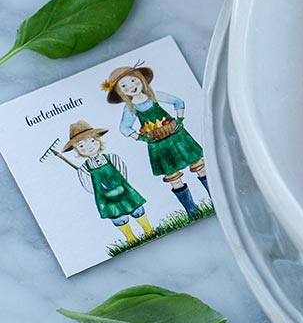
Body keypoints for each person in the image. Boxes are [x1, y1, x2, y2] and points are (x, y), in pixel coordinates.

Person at [104, 63, 209, 220]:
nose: (131, 86)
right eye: (124, 85)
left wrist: (179, 120)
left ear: (140, 79)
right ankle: (191, 210)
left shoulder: (156, 96)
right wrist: (141, 137)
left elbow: (178, 102)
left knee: (199, 165)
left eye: (133, 80)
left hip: (177, 137)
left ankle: (216, 197)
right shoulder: (131, 109)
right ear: (120, 92)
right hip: (159, 146)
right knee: (173, 176)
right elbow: (124, 128)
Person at [62, 120, 152, 243]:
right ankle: (130, 238)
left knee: (136, 208)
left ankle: (149, 230)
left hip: (125, 191)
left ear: (98, 141)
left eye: (92, 141)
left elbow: (122, 172)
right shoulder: (84, 169)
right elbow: (89, 186)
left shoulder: (112, 158)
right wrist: (103, 192)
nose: (89, 147)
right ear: (76, 149)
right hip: (105, 198)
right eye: (81, 145)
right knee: (117, 216)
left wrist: (119, 186)